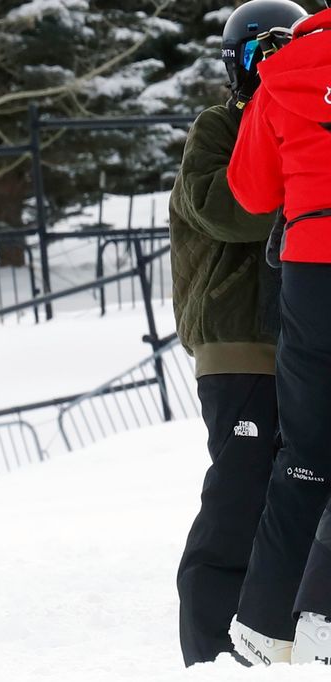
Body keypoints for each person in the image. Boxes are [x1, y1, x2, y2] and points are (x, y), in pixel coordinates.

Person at [169, 0, 306, 667]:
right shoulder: (219, 127)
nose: (273, 69)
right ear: (236, 65)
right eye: (261, 55)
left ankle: (284, 642)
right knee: (240, 493)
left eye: (287, 54)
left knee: (302, 495)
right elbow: (228, 209)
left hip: (306, 345)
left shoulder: (312, 124)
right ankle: (209, 651)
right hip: (240, 344)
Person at [227, 1, 331, 666]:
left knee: (308, 449)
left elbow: (253, 191)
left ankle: (267, 625)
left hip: (312, 273)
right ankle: (322, 615)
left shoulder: (284, 71)